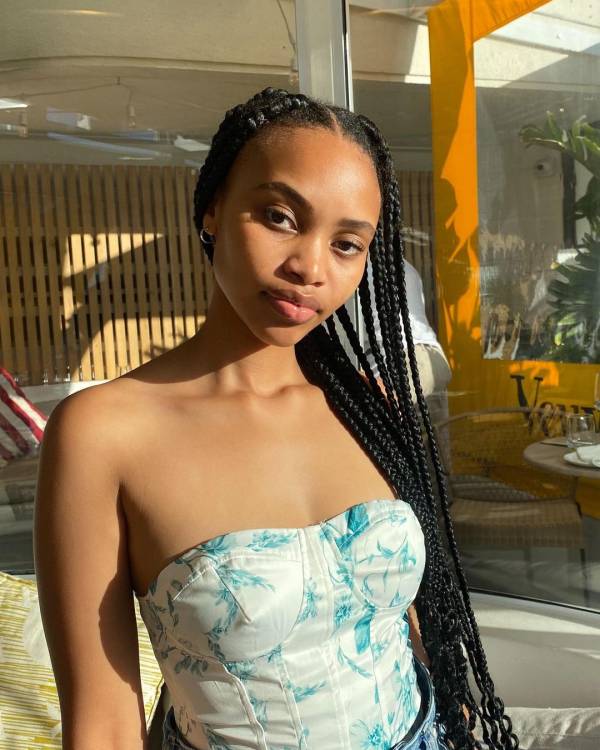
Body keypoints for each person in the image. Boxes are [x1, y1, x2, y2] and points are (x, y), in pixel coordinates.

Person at [33, 87, 517, 750]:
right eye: (280, 217)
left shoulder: (369, 406)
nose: (309, 268)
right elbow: (104, 728)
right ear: (212, 208)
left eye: (347, 245)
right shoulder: (104, 433)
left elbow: (410, 624)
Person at [361, 257, 452, 427]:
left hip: (401, 361)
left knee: (389, 436)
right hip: (433, 358)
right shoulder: (407, 267)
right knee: (435, 435)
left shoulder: (358, 267)